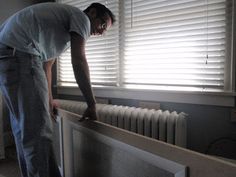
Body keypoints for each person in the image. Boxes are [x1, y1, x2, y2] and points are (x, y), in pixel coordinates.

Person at [0, 2, 115, 177]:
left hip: (8, 55)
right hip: (21, 54)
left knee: (24, 129)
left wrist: (49, 99)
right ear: (92, 13)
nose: (101, 31)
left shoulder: (58, 29)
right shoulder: (82, 19)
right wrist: (91, 103)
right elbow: (79, 60)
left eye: (104, 30)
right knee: (38, 133)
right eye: (102, 25)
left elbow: (47, 66)